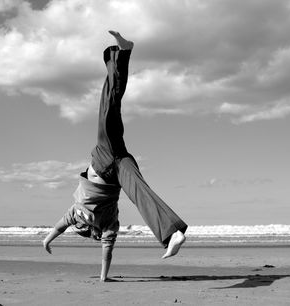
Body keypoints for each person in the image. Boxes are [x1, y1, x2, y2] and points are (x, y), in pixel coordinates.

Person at [43, 31, 188, 279]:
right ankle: (172, 233)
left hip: (103, 158)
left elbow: (57, 228)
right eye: (80, 228)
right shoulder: (107, 226)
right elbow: (106, 254)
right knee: (140, 192)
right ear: (88, 230)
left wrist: (46, 242)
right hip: (118, 168)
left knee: (109, 108)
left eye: (76, 226)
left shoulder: (74, 214)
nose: (78, 225)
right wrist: (103, 277)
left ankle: (123, 53)